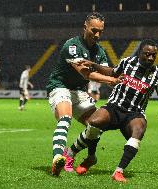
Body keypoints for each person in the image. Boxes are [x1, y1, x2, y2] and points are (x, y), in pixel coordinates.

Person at [65, 39, 158, 182]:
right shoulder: (127, 62)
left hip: (135, 113)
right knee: (94, 122)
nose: (150, 58)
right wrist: (94, 65)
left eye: (153, 55)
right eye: (147, 54)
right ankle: (83, 156)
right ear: (140, 53)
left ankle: (118, 172)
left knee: (139, 130)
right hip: (114, 107)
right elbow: (112, 72)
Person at [46, 12, 122, 176]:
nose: (97, 35)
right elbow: (86, 74)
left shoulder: (100, 51)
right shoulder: (72, 46)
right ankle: (57, 157)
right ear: (85, 27)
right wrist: (111, 80)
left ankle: (75, 154)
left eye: (101, 31)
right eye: (94, 30)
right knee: (65, 118)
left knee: (96, 125)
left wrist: (120, 76)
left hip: (79, 91)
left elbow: (106, 71)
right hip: (60, 86)